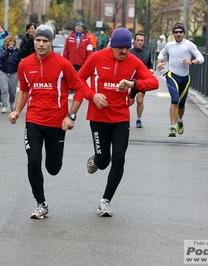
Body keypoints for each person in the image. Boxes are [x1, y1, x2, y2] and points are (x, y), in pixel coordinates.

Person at [78, 27, 159, 217]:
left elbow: (153, 82)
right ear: (112, 46)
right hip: (98, 117)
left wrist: (134, 84)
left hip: (121, 118)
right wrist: (92, 95)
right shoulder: (97, 58)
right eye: (120, 48)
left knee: (119, 159)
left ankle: (105, 201)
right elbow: (78, 79)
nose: (124, 51)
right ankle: (97, 158)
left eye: (127, 48)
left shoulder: (133, 61)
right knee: (104, 161)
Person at [8, 25, 85, 219]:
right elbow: (24, 90)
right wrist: (17, 111)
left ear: (51, 43)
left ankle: (54, 161)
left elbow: (80, 90)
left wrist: (71, 115)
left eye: (45, 41)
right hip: (33, 120)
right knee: (33, 160)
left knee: (53, 168)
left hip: (57, 123)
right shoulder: (24, 64)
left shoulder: (63, 64)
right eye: (38, 40)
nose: (41, 44)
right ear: (33, 41)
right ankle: (41, 203)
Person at [157, 23, 205, 137]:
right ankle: (173, 127)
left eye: (180, 32)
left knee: (182, 104)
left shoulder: (189, 45)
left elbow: (201, 58)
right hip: (172, 76)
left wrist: (192, 62)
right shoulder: (169, 45)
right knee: (174, 100)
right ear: (173, 34)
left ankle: (180, 121)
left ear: (183, 33)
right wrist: (159, 62)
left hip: (185, 78)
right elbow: (162, 53)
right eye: (176, 32)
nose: (178, 34)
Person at [129, 32, 154, 128]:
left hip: (142, 81)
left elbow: (150, 65)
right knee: (130, 102)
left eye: (141, 40)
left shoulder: (147, 54)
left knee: (140, 99)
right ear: (134, 41)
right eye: (138, 40)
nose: (139, 42)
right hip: (130, 81)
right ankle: (120, 117)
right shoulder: (129, 52)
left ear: (144, 42)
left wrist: (151, 69)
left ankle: (138, 119)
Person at [63, 20, 93, 98]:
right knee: (71, 77)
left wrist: (87, 61)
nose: (78, 28)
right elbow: (66, 50)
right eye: (77, 26)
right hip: (71, 61)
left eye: (80, 26)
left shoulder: (87, 39)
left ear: (82, 28)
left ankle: (80, 91)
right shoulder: (70, 38)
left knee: (80, 78)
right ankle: (71, 91)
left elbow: (89, 51)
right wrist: (65, 60)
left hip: (81, 62)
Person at [0, 35, 20, 113]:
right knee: (4, 90)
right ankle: (4, 106)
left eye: (13, 41)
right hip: (3, 72)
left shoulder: (17, 51)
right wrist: (7, 50)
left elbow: (19, 62)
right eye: (10, 41)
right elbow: (1, 57)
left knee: (12, 91)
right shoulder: (2, 49)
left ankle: (12, 103)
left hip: (13, 73)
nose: (12, 43)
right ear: (6, 42)